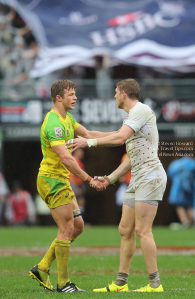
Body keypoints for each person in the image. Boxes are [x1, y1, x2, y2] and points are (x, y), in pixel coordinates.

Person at [68, 78, 167, 293]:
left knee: (143, 230)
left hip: (150, 176)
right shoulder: (133, 117)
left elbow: (119, 138)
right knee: (125, 229)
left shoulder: (140, 110)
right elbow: (131, 157)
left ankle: (155, 284)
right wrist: (110, 178)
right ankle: (121, 284)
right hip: (138, 178)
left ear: (123, 94)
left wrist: (89, 142)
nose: (113, 95)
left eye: (115, 92)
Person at [29, 79, 114, 293]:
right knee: (66, 228)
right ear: (58, 97)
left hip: (60, 180)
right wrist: (89, 179)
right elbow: (66, 159)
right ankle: (63, 284)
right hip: (52, 181)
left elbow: (89, 135)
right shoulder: (53, 123)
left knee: (77, 227)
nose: (75, 97)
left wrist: (118, 136)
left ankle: (42, 268)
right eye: (71, 94)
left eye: (75, 93)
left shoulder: (68, 118)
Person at [168, 156, 195, 229]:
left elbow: (170, 174)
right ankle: (191, 222)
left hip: (178, 188)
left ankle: (185, 222)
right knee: (190, 205)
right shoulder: (194, 163)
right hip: (191, 187)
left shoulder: (175, 163)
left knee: (179, 205)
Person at [70, 149, 87, 222]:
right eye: (80, 151)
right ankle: (78, 221)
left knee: (80, 203)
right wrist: (76, 188)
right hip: (75, 184)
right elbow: (72, 175)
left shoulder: (79, 161)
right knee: (76, 203)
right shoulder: (74, 160)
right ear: (75, 152)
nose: (82, 153)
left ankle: (79, 221)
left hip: (78, 184)